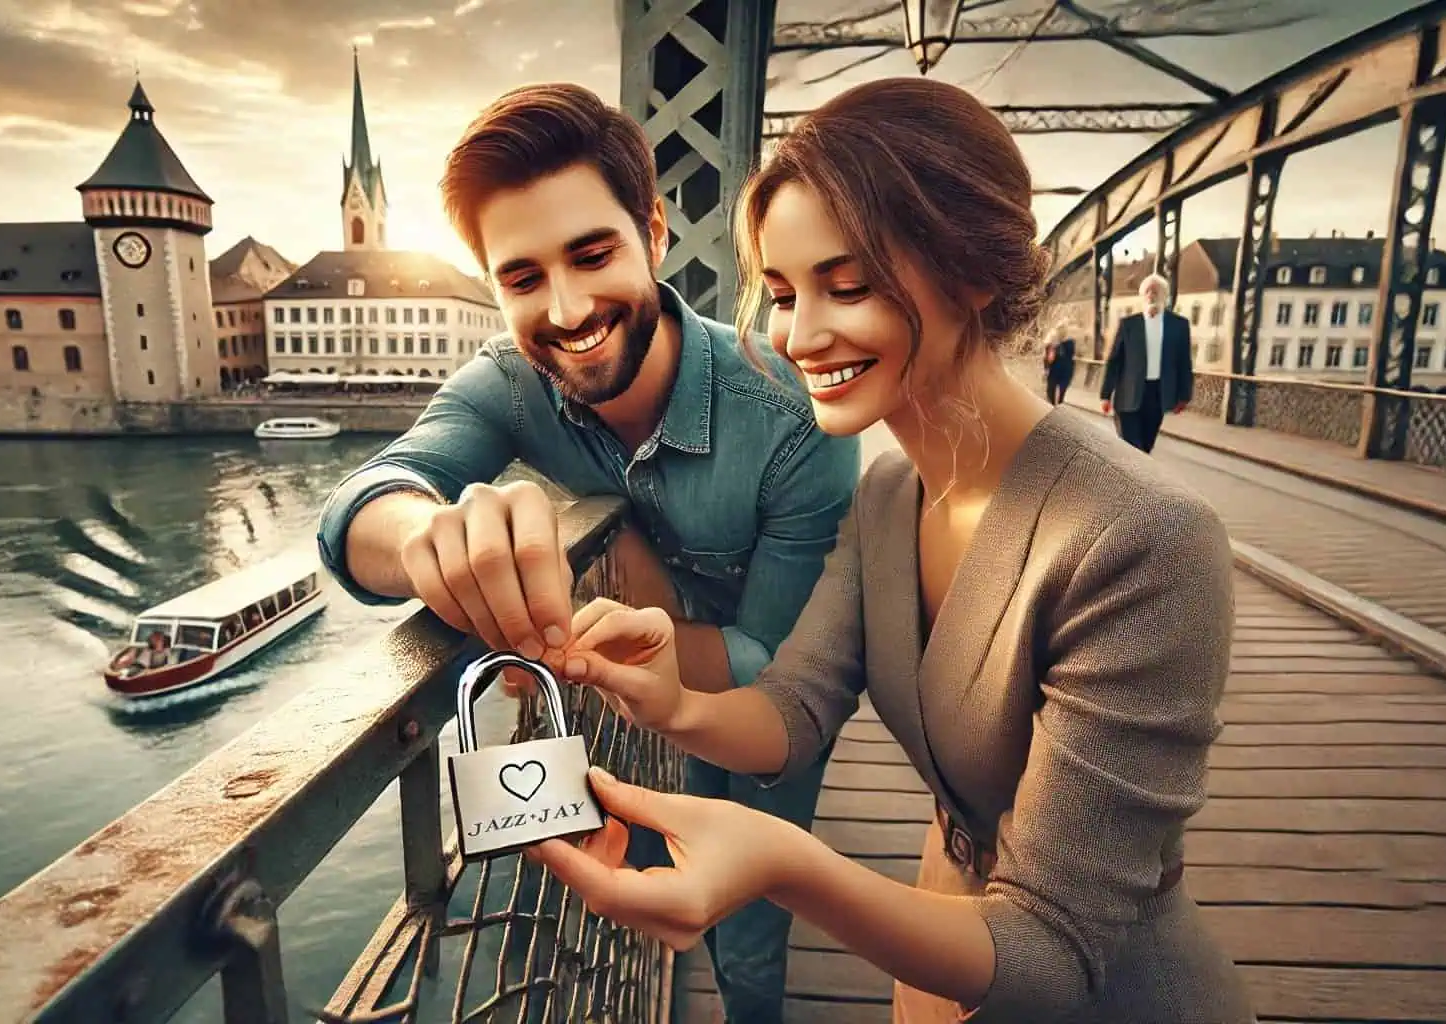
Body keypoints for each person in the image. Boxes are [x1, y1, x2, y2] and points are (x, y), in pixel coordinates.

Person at [525, 77, 1255, 1024]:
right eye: (782, 293)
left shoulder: (1146, 539)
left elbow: (1053, 954)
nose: (799, 335)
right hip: (935, 955)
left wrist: (784, 866)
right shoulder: (887, 492)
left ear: (974, 275)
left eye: (849, 285)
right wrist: (668, 699)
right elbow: (795, 709)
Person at [313, 83, 861, 1022]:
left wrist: (606, 639)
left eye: (592, 254)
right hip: (635, 696)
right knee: (649, 887)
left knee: (755, 917)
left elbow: (771, 673)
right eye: (522, 278)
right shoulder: (506, 384)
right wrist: (427, 537)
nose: (565, 310)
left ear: (652, 234)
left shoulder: (792, 413)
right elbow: (361, 503)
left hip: (765, 703)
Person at [1100, 273, 1192, 453]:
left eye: (1156, 291)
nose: (1151, 294)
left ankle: (1134, 478)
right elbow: (1114, 361)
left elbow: (1184, 362)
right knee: (1131, 447)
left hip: (1157, 395)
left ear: (1164, 295)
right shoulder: (1128, 324)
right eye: (1148, 291)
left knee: (1146, 448)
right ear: (1142, 295)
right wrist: (1105, 394)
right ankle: (1130, 479)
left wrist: (1184, 396)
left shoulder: (1179, 325)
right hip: (1128, 395)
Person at [1042, 328, 1075, 406]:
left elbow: (1071, 353)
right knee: (1051, 392)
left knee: (1061, 392)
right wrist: (1046, 369)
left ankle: (1058, 405)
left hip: (1065, 371)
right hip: (1054, 371)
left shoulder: (1069, 343)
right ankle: (1053, 406)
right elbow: (1047, 358)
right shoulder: (1050, 343)